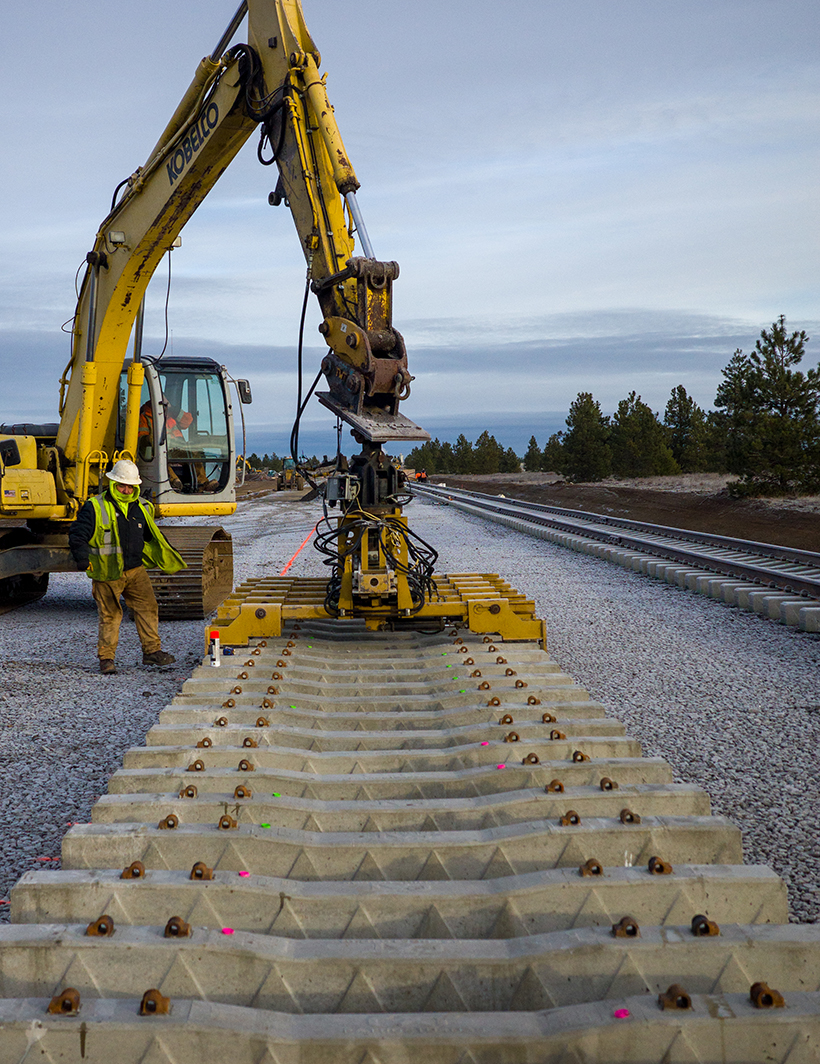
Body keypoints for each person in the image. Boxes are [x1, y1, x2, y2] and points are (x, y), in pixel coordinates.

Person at [68, 459, 186, 675]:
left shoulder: (141, 507)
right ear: (112, 483)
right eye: (122, 485)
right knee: (110, 615)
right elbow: (78, 534)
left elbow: (151, 536)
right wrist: (82, 559)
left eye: (130, 486)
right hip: (108, 572)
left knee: (148, 608)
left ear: (135, 487)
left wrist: (166, 554)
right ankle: (106, 659)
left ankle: (152, 652)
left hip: (135, 570)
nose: (125, 489)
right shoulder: (95, 506)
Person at [137, 397, 218, 492]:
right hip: (157, 451)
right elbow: (141, 441)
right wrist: (150, 439)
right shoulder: (144, 417)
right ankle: (173, 481)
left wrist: (174, 409)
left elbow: (187, 421)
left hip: (176, 449)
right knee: (161, 458)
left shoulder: (169, 416)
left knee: (194, 452)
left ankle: (203, 483)